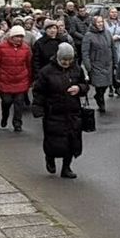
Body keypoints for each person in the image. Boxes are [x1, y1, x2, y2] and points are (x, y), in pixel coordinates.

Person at [33, 43, 91, 178]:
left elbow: (85, 85)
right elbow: (39, 91)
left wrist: (79, 88)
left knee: (72, 141)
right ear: (58, 57)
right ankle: (50, 158)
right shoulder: (46, 71)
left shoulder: (77, 69)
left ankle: (66, 167)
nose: (67, 62)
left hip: (73, 111)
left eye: (69, 60)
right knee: (53, 140)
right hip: (53, 111)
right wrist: (38, 108)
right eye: (64, 60)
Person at [0, 28, 34, 132]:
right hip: (5, 80)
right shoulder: (1, 47)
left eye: (21, 37)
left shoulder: (26, 48)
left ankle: (17, 123)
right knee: (6, 101)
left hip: (21, 80)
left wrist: (30, 79)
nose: (19, 39)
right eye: (17, 36)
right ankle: (5, 116)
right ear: (11, 37)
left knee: (19, 103)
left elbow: (29, 65)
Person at [83, 16, 117, 114]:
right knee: (99, 85)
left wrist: (115, 62)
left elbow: (113, 48)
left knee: (106, 84)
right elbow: (85, 52)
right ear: (94, 23)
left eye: (101, 22)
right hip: (96, 64)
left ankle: (99, 96)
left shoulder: (107, 33)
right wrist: (88, 66)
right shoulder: (88, 35)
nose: (100, 24)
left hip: (108, 63)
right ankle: (100, 101)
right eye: (98, 22)